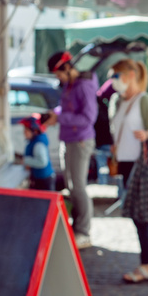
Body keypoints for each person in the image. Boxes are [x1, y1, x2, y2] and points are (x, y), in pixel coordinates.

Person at [110, 58, 148, 284]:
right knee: (136, 215)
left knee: (140, 216)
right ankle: (146, 263)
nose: (113, 81)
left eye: (116, 75)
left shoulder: (145, 100)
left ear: (131, 75)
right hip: (124, 163)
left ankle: (147, 265)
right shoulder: (116, 101)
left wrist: (147, 135)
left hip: (141, 165)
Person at [46, 51, 98, 249]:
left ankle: (83, 232)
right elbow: (66, 110)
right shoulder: (70, 84)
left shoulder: (84, 85)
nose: (58, 78)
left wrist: (60, 118)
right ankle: (77, 228)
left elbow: (87, 119)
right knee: (71, 186)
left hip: (80, 141)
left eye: (58, 74)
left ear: (67, 68)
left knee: (78, 186)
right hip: (68, 139)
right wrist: (55, 114)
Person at [20, 116, 55, 191]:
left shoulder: (38, 144)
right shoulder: (34, 141)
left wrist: (26, 161)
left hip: (44, 180)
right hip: (40, 178)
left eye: (26, 130)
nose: (24, 132)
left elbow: (42, 162)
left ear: (34, 131)